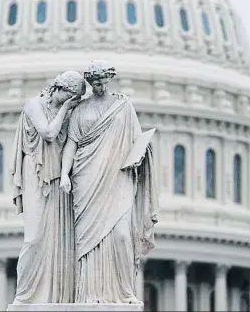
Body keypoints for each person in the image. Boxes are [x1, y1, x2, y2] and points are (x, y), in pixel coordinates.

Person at [60, 60, 159, 304]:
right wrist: (64, 174)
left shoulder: (123, 107)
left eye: (103, 81)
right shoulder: (81, 110)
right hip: (87, 180)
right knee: (89, 242)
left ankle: (124, 293)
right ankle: (90, 294)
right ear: (90, 83)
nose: (100, 86)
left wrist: (140, 156)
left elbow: (137, 141)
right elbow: (71, 143)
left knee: (122, 236)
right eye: (95, 83)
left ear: (110, 79)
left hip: (119, 177)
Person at [11, 71, 86, 304]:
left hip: (58, 179)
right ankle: (25, 297)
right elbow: (48, 133)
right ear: (59, 88)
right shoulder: (34, 105)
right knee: (34, 238)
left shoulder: (70, 112)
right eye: (70, 96)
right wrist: (66, 109)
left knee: (59, 240)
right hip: (35, 171)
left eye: (75, 99)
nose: (71, 102)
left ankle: (56, 297)